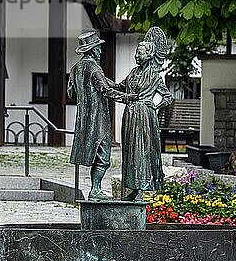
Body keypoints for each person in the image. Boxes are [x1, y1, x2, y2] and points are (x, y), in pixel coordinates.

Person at [68, 30, 138, 201]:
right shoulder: (93, 67)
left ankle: (95, 189)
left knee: (95, 155)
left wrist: (124, 86)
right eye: (98, 48)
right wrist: (126, 98)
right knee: (103, 157)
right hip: (98, 119)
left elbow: (71, 92)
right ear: (92, 50)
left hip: (84, 119)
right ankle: (95, 189)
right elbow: (105, 89)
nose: (100, 51)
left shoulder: (75, 68)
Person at [118, 27, 173, 201]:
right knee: (129, 150)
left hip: (143, 116)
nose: (136, 56)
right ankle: (132, 187)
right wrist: (103, 83)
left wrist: (154, 107)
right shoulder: (133, 73)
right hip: (130, 115)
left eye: (139, 53)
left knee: (141, 150)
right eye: (136, 52)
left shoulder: (155, 77)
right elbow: (120, 87)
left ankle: (141, 187)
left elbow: (168, 97)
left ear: (149, 55)